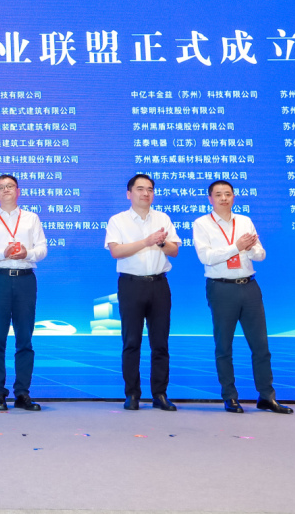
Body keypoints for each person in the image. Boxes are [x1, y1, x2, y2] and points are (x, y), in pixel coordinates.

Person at [192, 180, 293, 414]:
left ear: (234, 197)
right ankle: (230, 397)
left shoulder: (245, 221)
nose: (224, 198)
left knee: (261, 345)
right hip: (221, 288)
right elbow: (206, 257)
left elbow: (261, 254)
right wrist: (236, 247)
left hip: (249, 287)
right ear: (210, 198)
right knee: (224, 346)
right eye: (218, 194)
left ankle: (267, 396)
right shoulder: (201, 223)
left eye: (228, 194)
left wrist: (251, 249)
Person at [104, 174, 180, 412]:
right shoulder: (118, 220)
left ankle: (160, 394)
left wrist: (160, 243)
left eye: (150, 189)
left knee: (160, 343)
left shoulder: (163, 218)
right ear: (129, 194)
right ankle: (132, 394)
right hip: (131, 285)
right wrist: (146, 241)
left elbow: (174, 251)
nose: (146, 193)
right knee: (131, 341)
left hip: (159, 284)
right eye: (140, 189)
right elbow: (116, 252)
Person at [0, 174, 47, 411]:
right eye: (1, 187)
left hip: (25, 279)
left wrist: (28, 254)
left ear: (18, 191)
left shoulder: (31, 218)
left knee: (25, 338)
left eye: (10, 186)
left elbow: (42, 249)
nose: (6, 190)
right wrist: (2, 253)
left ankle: (22, 393)